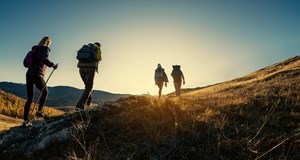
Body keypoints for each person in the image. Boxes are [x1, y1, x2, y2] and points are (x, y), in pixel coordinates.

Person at [23, 36, 58, 127]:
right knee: (45, 91)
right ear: (47, 42)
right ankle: (39, 112)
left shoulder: (35, 49)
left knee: (29, 99)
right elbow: (44, 59)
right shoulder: (45, 49)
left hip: (29, 74)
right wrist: (53, 65)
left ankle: (25, 121)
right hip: (37, 73)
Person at [76, 42, 102, 110]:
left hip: (81, 69)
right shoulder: (97, 48)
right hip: (90, 69)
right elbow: (99, 58)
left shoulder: (86, 47)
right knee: (89, 87)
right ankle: (79, 106)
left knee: (87, 87)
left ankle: (88, 105)